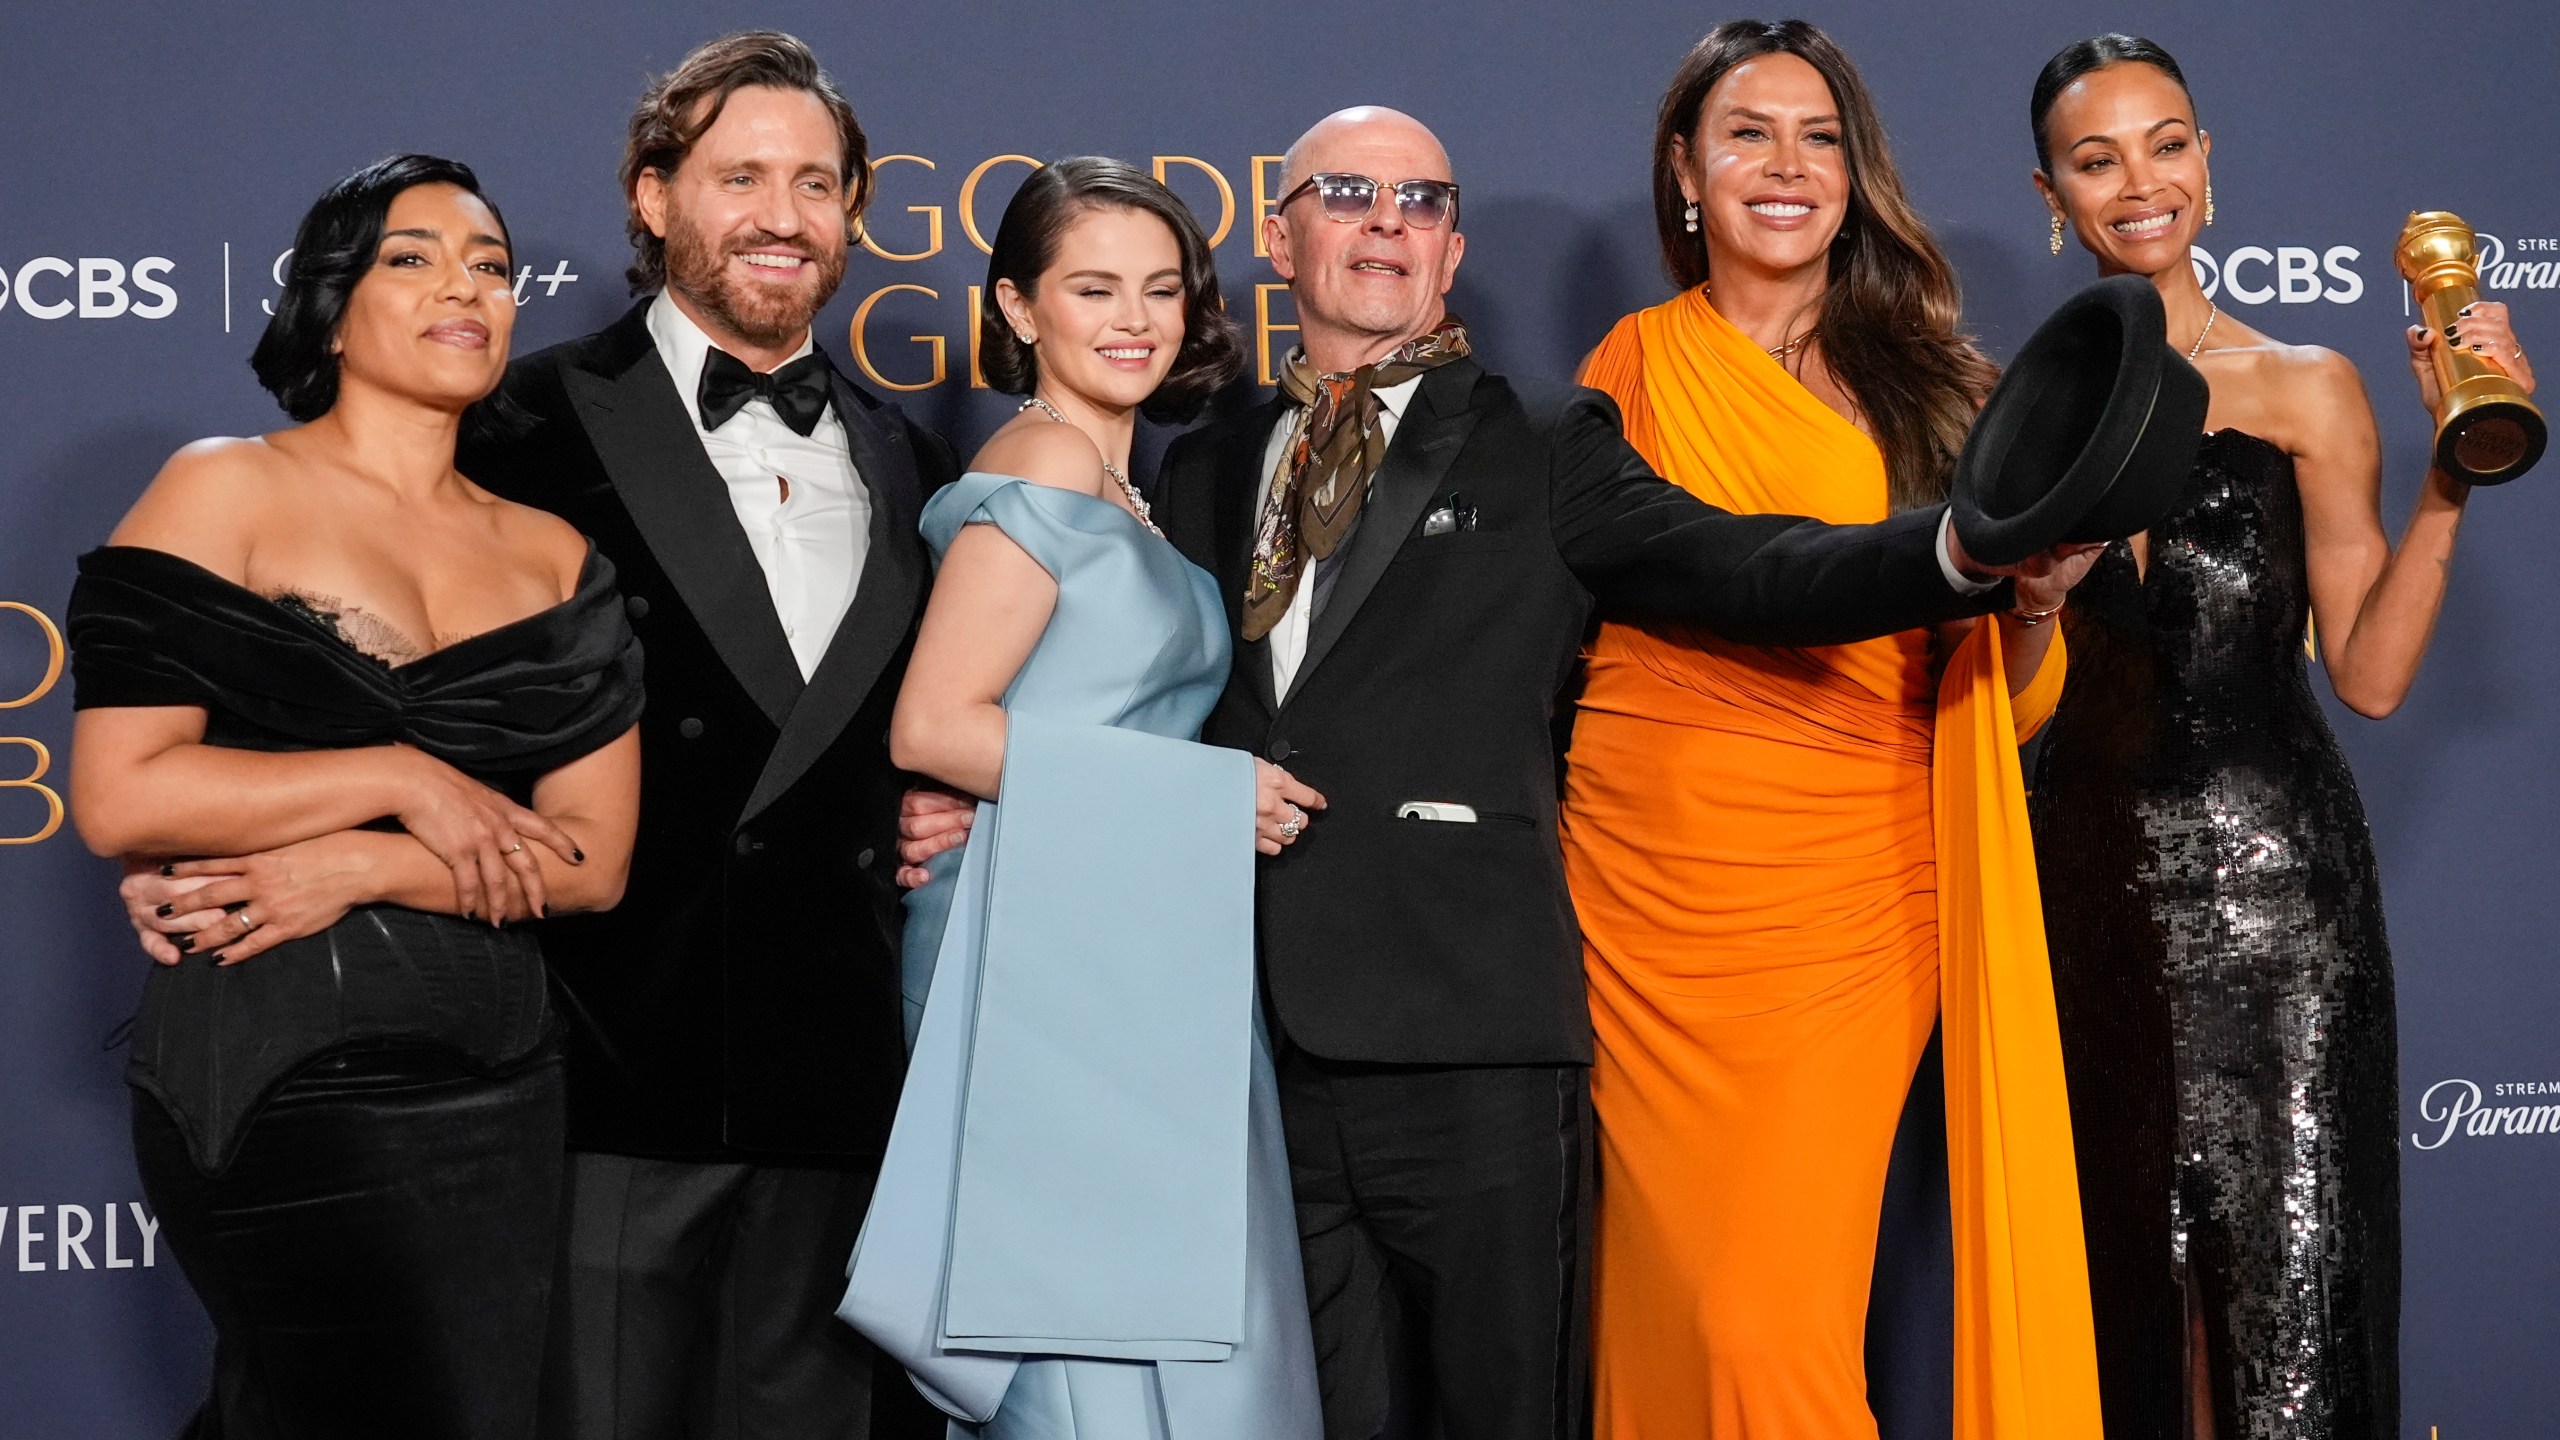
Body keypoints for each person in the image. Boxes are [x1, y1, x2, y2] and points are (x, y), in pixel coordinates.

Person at [908, 105, 2104, 1440]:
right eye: (1349, 192)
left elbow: (1751, 566)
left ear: (1452, 249)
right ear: (1278, 230)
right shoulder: (1200, 458)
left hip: (1472, 1046)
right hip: (1239, 1054)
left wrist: (1962, 557)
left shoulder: (1542, 438)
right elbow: (1098, 691)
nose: (1384, 223)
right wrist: (970, 795)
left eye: (1420, 202)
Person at [122, 30, 954, 1439]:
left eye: (818, 184)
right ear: (652, 194)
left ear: (856, 210)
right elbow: (328, 656)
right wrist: (226, 840)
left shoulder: (904, 452)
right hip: (585, 1080)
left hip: (842, 1089)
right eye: (741, 175)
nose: (782, 215)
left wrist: (964, 810)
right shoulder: (509, 411)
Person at [1557, 20, 2105, 1438]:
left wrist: (2036, 605)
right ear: (1687, 168)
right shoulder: (1630, 362)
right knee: (1663, 1304)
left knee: (1761, 1318)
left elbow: (2014, 700)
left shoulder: (1942, 387)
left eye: (1820, 138)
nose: (1787, 167)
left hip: (1854, 896)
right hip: (1642, 883)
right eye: (1749, 133)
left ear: (1857, 174)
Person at [67, 154, 643, 1440]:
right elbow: (121, 794)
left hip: (502, 1075)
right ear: (332, 304)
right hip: (275, 1067)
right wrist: (398, 780)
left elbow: (593, 861)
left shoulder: (556, 556)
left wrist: (369, 862)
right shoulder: (227, 487)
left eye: (492, 267)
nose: (467, 287)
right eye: (414, 257)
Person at [2023, 34, 2534, 1440]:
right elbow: (2003, 698)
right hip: (2085, 897)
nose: (2140, 181)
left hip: (2282, 910)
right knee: (2127, 1300)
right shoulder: (2012, 414)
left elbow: (2368, 676)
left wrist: (2451, 480)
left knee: (2291, 1315)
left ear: (2207, 163)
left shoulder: (2307, 383)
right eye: (2097, 155)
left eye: (2168, 142)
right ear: (2052, 194)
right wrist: (2031, 606)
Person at [839, 155, 1323, 1440]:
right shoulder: (1045, 465)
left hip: (1131, 940)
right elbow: (934, 725)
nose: (1134, 320)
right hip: (1046, 953)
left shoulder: (1129, 488)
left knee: (1155, 1311)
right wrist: (1204, 796)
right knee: (1083, 1327)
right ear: (1016, 308)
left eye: (1160, 290)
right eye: (1093, 287)